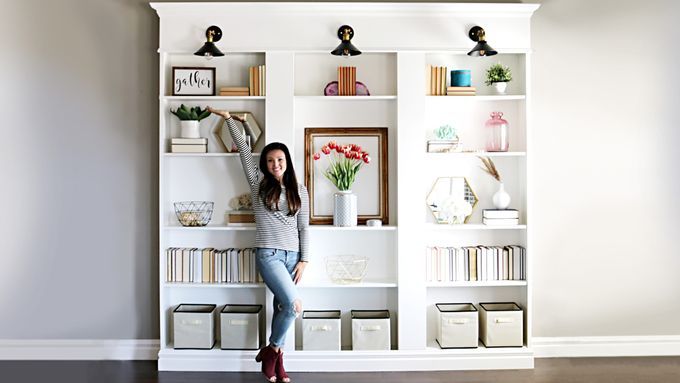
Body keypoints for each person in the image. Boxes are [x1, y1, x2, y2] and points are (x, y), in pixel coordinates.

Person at [209, 108, 308, 383]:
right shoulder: (258, 186)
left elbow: (304, 227)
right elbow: (243, 149)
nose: (275, 164)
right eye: (270, 160)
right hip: (269, 255)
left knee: (281, 309)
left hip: (293, 257)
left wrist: (305, 259)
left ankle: (276, 362)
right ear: (264, 164)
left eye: (279, 159)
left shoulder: (301, 190)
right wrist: (228, 119)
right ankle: (271, 351)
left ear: (286, 161)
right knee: (292, 305)